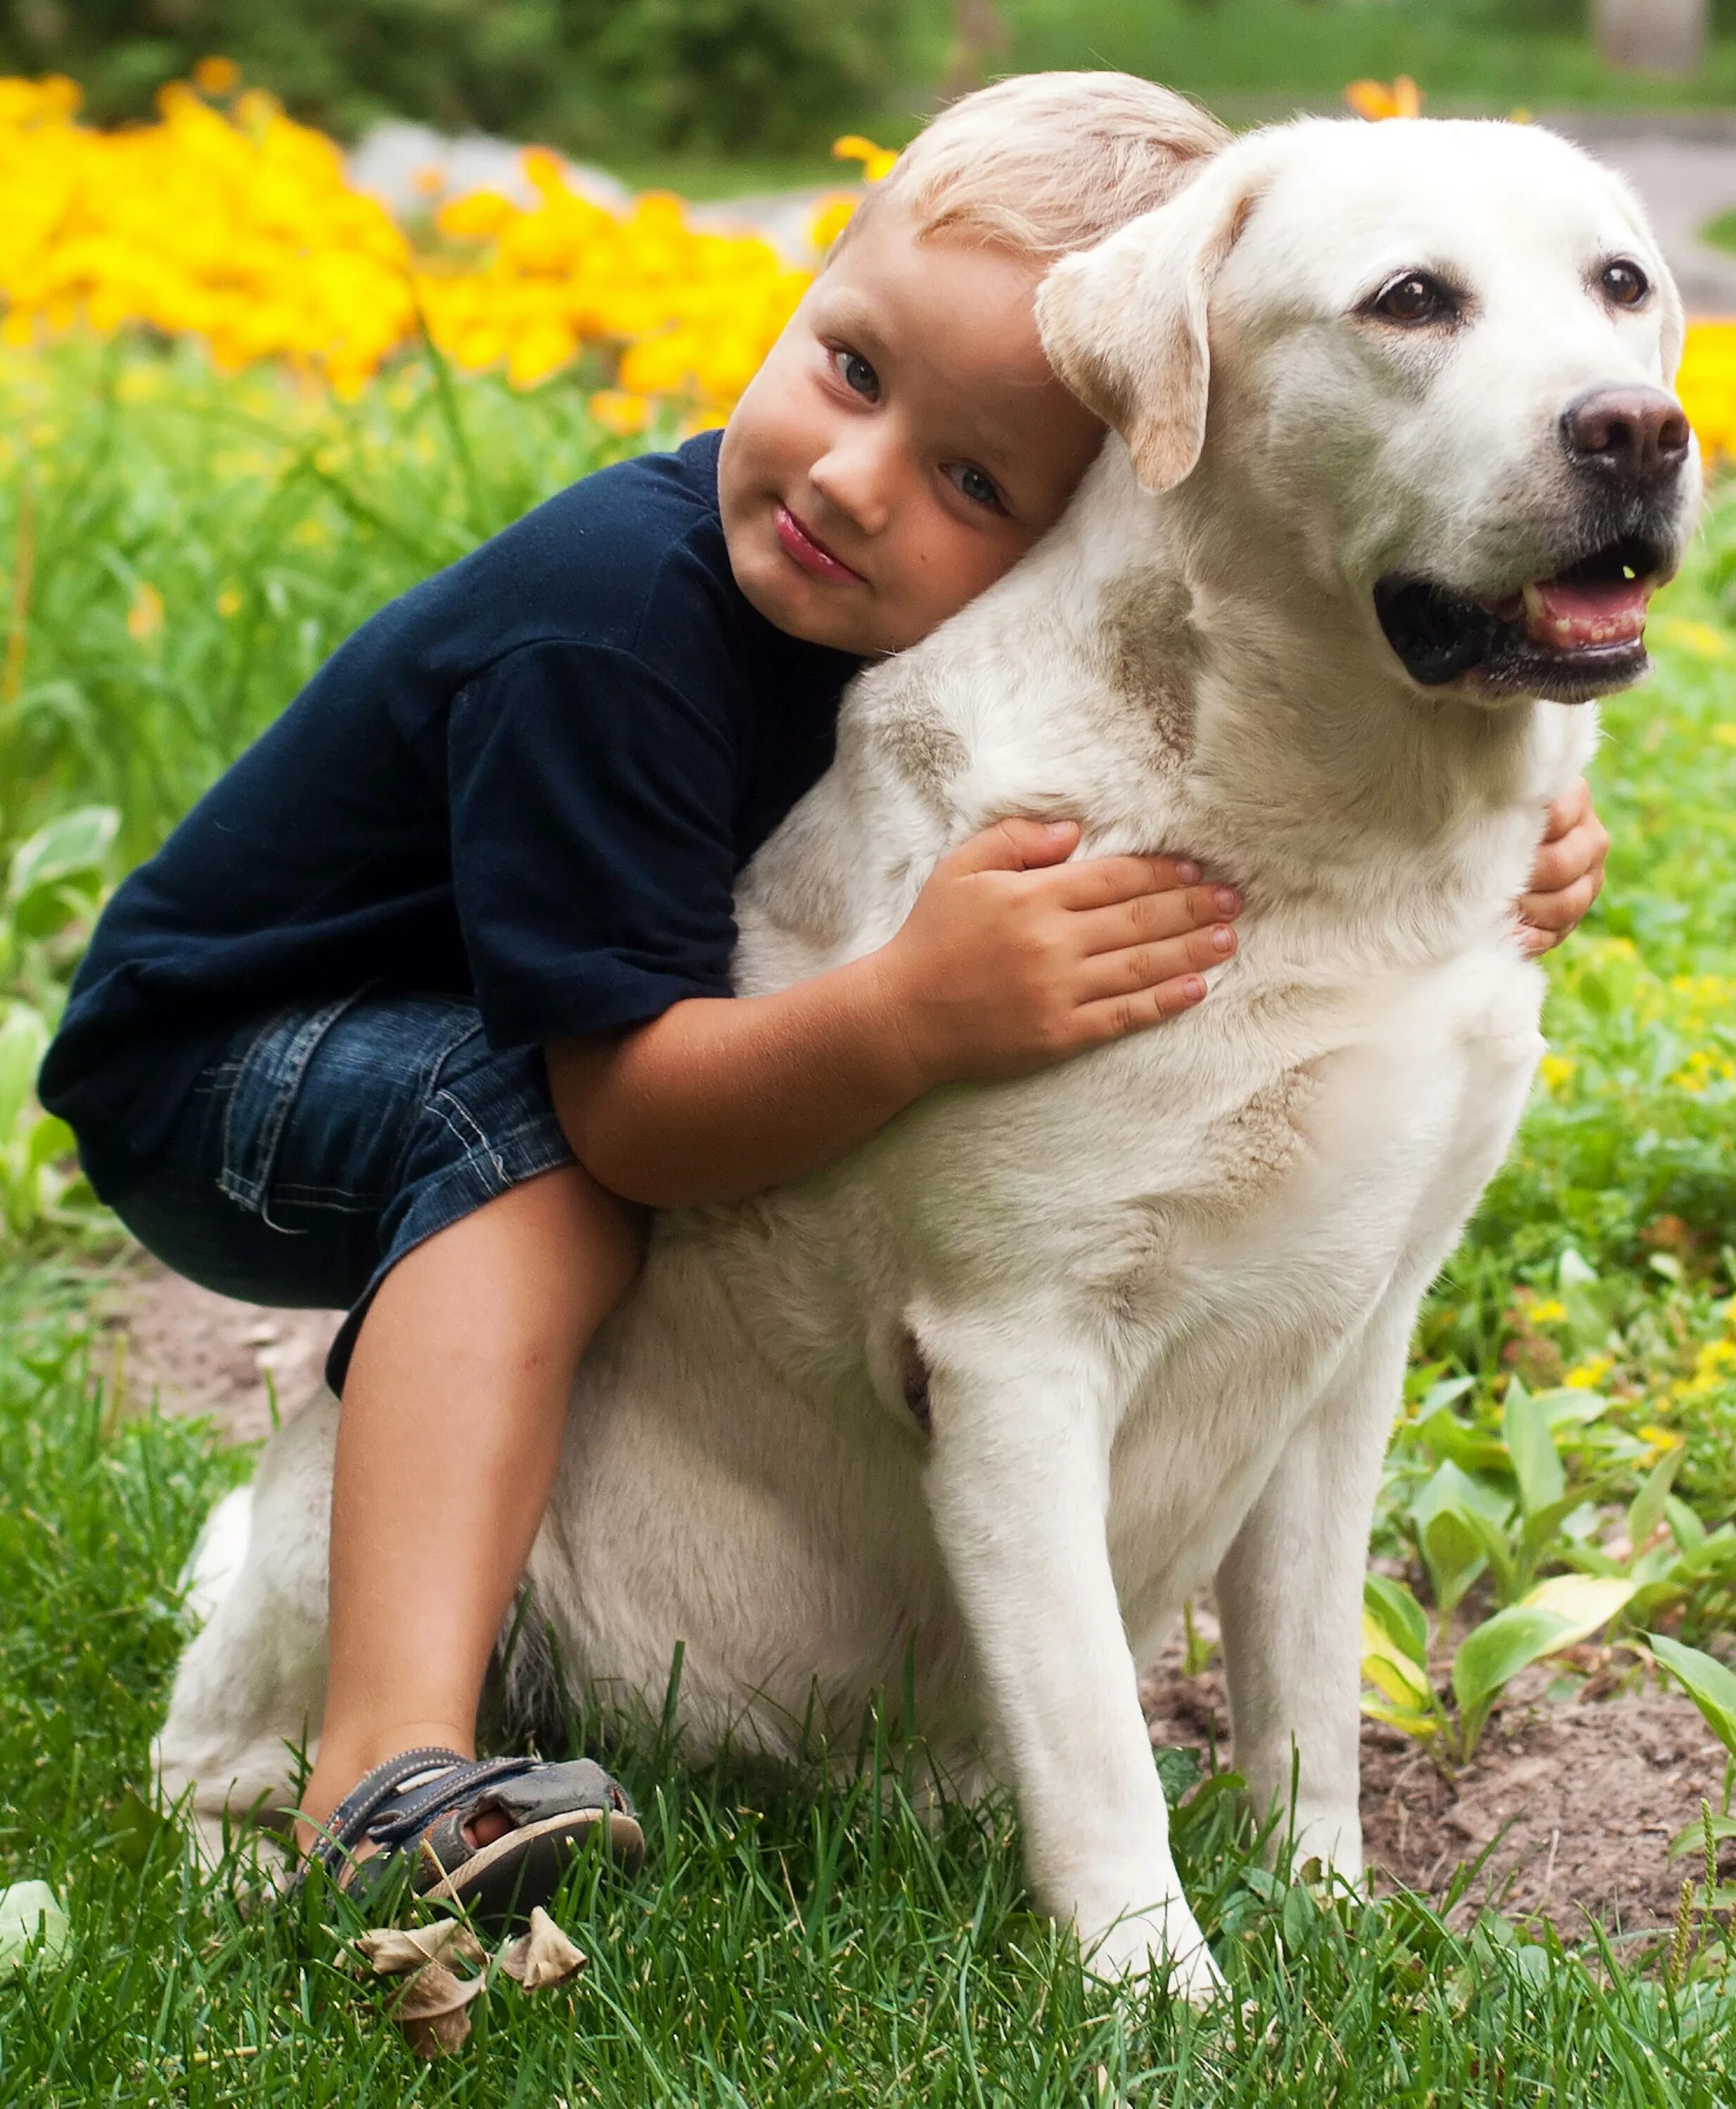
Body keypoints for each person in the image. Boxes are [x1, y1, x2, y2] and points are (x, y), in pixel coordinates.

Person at [38, 71, 1609, 1925]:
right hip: (220, 1057)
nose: (859, 485)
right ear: (801, 291)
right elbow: (634, 1113)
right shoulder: (608, 623)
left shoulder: (918, 616)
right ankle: (378, 1764)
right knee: (527, 1132)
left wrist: (1507, 802)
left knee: (534, 1098)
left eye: (971, 482)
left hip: (502, 1006)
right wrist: (915, 1018)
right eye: (849, 369)